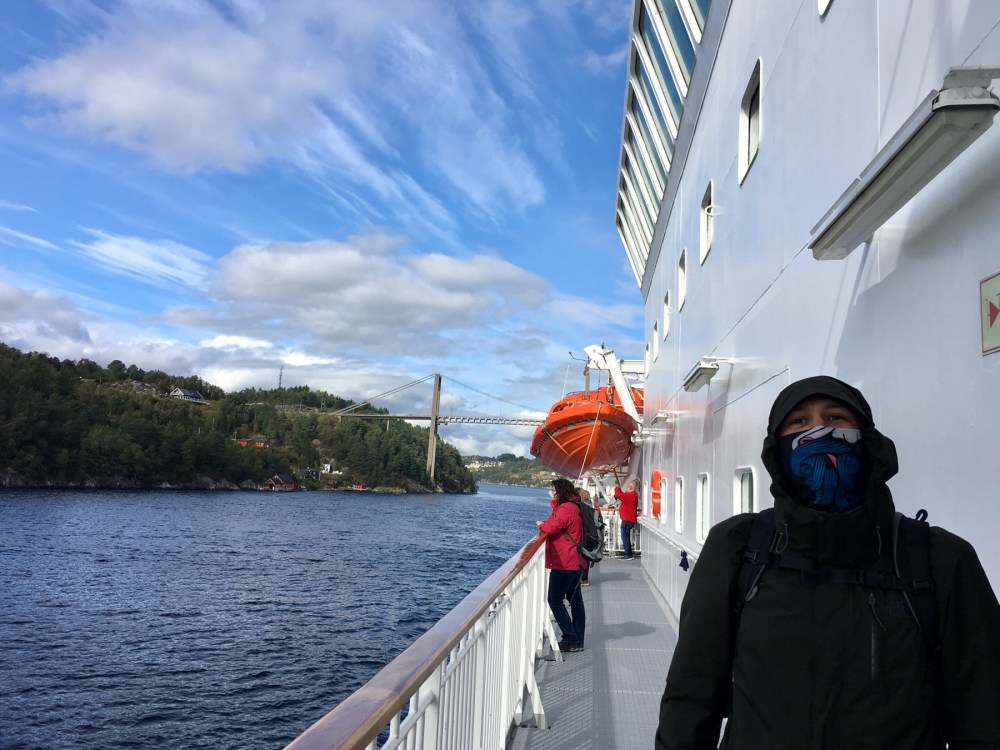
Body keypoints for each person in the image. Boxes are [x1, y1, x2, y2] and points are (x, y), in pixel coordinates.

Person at [654, 375, 1000, 749]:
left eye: (836, 417)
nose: (818, 430)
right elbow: (692, 692)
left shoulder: (938, 558)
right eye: (799, 421)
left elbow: (984, 713)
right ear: (777, 449)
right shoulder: (737, 548)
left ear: (867, 439)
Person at [536, 477, 586, 652]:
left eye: (554, 490)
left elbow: (551, 527)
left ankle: (571, 638)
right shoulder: (575, 506)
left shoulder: (565, 509)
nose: (552, 493)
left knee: (555, 600)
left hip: (565, 563)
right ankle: (578, 640)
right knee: (576, 601)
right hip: (576, 561)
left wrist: (541, 525)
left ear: (560, 492)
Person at [614, 480, 639, 559]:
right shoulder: (633, 495)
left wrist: (617, 487)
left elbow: (618, 495)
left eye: (627, 486)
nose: (626, 488)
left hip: (627, 520)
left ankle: (628, 554)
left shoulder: (630, 495)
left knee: (624, 537)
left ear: (630, 487)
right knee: (626, 537)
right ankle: (628, 554)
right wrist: (619, 489)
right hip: (629, 519)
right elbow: (623, 496)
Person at [577, 488, 594, 586]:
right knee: (586, 558)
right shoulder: (591, 506)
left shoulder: (581, 507)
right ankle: (585, 579)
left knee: (580, 557)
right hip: (590, 535)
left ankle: (580, 578)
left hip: (582, 534)